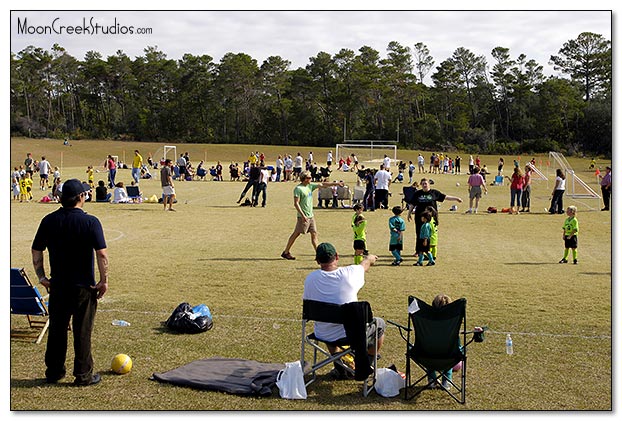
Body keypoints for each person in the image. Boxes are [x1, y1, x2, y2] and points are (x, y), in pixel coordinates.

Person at [31, 179, 109, 386]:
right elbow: (101, 255)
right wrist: (103, 281)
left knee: (57, 330)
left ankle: (54, 372)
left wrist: (41, 276)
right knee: (82, 331)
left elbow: (36, 250)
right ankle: (83, 375)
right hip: (84, 286)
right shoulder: (91, 222)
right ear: (81, 197)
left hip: (58, 286)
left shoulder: (48, 220)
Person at [302, 242, 384, 378]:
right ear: (337, 257)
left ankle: (339, 366)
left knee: (329, 319)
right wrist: (369, 258)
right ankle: (364, 364)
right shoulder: (349, 273)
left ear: (317, 260)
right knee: (379, 324)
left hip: (322, 332)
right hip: (351, 334)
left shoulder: (310, 279)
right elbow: (364, 266)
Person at [280, 172, 344, 260]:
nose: (311, 179)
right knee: (296, 233)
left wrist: (336, 183)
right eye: (309, 178)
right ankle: (286, 252)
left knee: (314, 234)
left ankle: (318, 255)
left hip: (311, 216)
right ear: (304, 178)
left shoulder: (310, 186)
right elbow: (296, 203)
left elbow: (323, 184)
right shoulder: (298, 189)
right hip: (303, 216)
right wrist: (302, 215)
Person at [407, 178, 462, 255]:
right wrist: (409, 213)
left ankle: (429, 251)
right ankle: (418, 251)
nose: (424, 185)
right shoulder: (417, 194)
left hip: (431, 217)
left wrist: (456, 199)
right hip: (420, 217)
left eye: (425, 183)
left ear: (429, 184)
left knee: (430, 234)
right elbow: (412, 204)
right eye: (422, 184)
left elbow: (445, 197)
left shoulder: (434, 193)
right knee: (419, 233)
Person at [426, 294, 457, 390]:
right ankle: (446, 380)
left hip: (426, 356)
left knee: (428, 349)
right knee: (452, 350)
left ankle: (432, 379)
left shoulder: (425, 322)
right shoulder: (453, 324)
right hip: (448, 357)